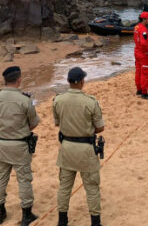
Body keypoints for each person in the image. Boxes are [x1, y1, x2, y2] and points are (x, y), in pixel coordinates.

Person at [53, 67, 105, 226]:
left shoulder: (58, 100)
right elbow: (100, 127)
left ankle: (62, 221)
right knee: (92, 188)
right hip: (86, 149)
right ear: (82, 81)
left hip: (67, 147)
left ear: (69, 81)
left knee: (64, 187)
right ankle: (95, 222)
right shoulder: (90, 101)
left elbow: (57, 123)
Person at [0, 66, 40, 225]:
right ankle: (26, 215)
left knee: (0, 178)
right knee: (24, 179)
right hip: (19, 145)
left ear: (5, 81)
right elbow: (33, 124)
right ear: (19, 80)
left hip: (1, 144)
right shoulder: (25, 100)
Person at [133, 12, 148, 99]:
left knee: (138, 71)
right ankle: (144, 93)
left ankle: (139, 90)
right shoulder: (143, 30)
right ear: (144, 19)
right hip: (144, 54)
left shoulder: (136, 27)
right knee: (145, 73)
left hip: (137, 52)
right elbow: (144, 43)